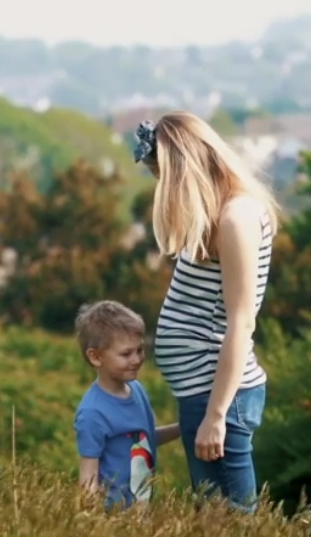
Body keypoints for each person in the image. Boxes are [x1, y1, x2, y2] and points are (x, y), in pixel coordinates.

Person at [132, 111, 280, 512]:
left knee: (229, 520)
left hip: (220, 395)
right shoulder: (218, 216)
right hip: (204, 393)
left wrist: (215, 415)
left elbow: (241, 322)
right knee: (212, 519)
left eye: (165, 178)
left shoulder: (236, 219)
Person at [73, 300, 181, 510]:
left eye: (140, 350)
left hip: (142, 513)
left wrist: (182, 428)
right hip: (114, 517)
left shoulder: (137, 390)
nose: (137, 359)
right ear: (96, 357)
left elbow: (144, 439)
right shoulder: (92, 413)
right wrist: (91, 522)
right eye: (126, 354)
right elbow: (88, 478)